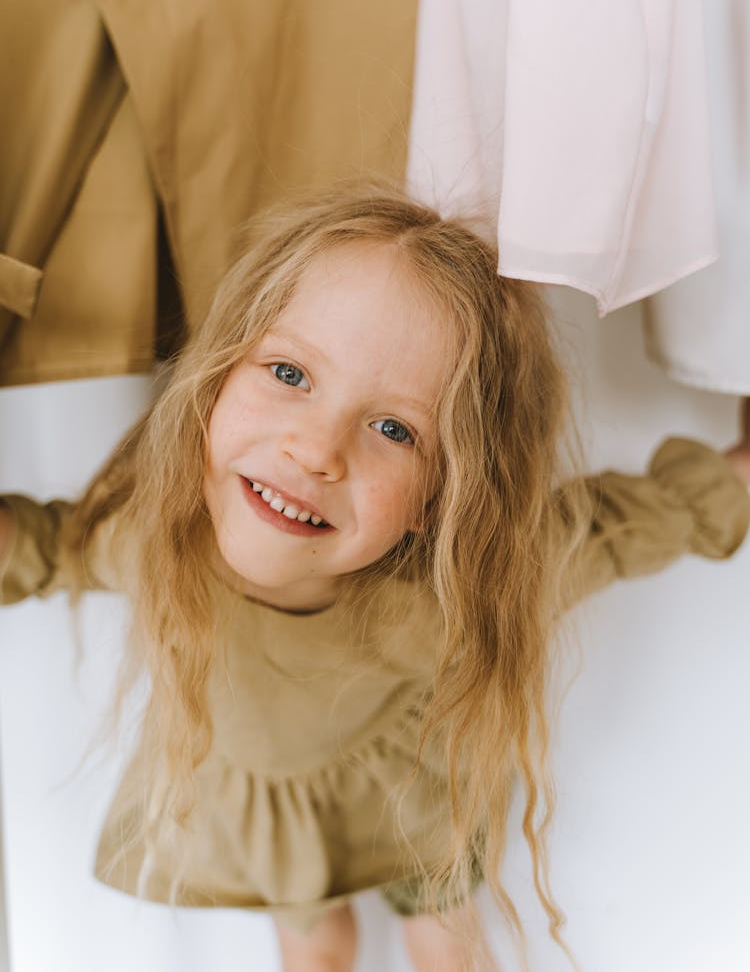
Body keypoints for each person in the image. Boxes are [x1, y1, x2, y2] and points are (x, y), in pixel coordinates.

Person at [1, 189, 748, 972]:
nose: (317, 449)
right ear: (216, 375)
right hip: (277, 822)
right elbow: (47, 547)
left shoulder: (454, 587)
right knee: (315, 947)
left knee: (446, 941)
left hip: (420, 800)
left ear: (441, 497)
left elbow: (620, 525)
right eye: (289, 372)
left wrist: (738, 472)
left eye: (393, 428)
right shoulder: (155, 541)